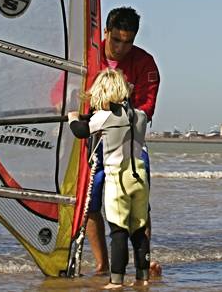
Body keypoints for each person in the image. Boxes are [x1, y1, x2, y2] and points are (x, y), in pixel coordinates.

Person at [84, 6, 162, 276]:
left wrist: (111, 110)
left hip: (130, 142)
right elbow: (62, 91)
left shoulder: (145, 63)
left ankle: (144, 259)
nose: (120, 47)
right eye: (115, 40)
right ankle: (102, 264)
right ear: (106, 32)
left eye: (128, 41)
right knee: (91, 202)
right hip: (94, 140)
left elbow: (146, 108)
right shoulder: (88, 54)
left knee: (138, 199)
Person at [68, 69, 150, 288]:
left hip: (118, 179)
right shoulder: (140, 115)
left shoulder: (103, 118)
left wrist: (73, 116)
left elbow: (80, 131)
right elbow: (126, 116)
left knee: (118, 230)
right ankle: (142, 278)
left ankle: (116, 281)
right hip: (140, 176)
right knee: (139, 229)